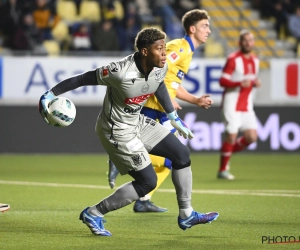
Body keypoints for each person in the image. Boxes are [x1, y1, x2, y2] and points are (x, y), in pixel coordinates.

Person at [39, 27, 219, 236]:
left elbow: (158, 85)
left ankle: (186, 214)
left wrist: (172, 116)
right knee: (147, 182)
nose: (164, 53)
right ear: (144, 51)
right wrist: (50, 94)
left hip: (137, 121)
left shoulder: (160, 65)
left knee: (181, 154)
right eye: (159, 48)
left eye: (164, 47)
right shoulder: (118, 71)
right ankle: (94, 212)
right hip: (116, 131)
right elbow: (81, 79)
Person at [108, 9, 214, 213]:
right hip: (152, 108)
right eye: (204, 26)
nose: (208, 30)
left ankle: (143, 199)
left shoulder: (188, 51)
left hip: (160, 110)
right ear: (192, 29)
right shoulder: (178, 48)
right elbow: (156, 71)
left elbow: (172, 82)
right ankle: (120, 157)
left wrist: (195, 100)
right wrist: (168, 101)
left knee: (170, 161)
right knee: (174, 156)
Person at [217, 29, 261, 180]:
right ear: (240, 42)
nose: (248, 43)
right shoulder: (233, 59)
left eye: (250, 40)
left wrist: (254, 82)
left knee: (252, 137)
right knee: (231, 136)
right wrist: (239, 83)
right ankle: (223, 170)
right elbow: (222, 81)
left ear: (253, 43)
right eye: (245, 40)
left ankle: (226, 152)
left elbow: (250, 80)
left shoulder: (255, 60)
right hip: (231, 103)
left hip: (247, 105)